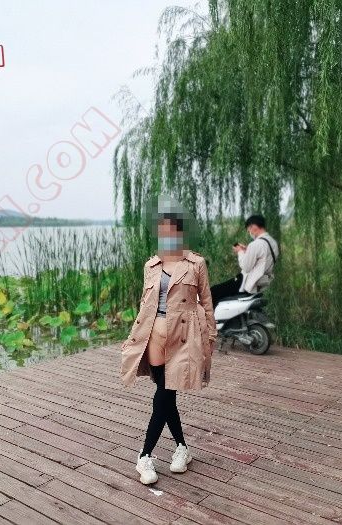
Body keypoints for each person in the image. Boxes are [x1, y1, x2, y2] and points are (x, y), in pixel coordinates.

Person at [120, 195, 217, 485]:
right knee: (166, 393)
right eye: (163, 232)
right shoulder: (150, 265)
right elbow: (144, 305)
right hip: (153, 337)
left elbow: (207, 303)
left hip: (183, 338)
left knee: (164, 393)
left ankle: (145, 455)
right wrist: (132, 338)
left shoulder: (196, 263)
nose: (168, 236)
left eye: (172, 231)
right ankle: (182, 448)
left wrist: (211, 337)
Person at [210, 215, 279, 309]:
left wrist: (240, 251)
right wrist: (247, 250)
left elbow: (246, 267)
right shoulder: (272, 242)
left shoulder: (256, 244)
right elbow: (263, 257)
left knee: (212, 292)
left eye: (249, 230)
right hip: (261, 281)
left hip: (246, 282)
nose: (249, 232)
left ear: (253, 226)